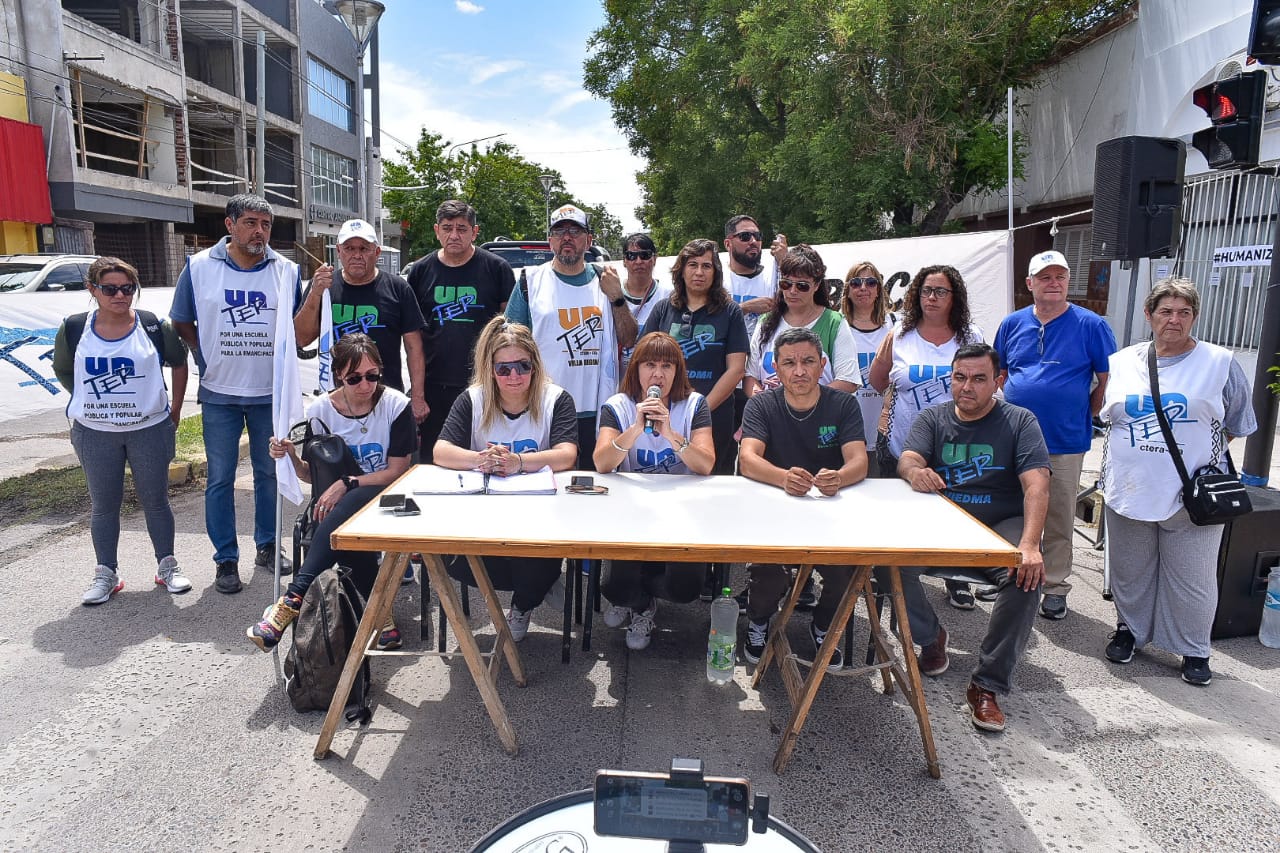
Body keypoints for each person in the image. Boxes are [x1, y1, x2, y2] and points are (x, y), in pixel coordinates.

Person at [1099, 277, 1257, 687]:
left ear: (1195, 317)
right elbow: (1107, 418)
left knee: (1193, 579)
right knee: (1130, 572)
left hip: (1193, 498)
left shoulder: (1220, 363)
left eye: (1184, 312)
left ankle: (1194, 650)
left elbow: (1237, 422)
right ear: (1149, 316)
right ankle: (1129, 631)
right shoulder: (1123, 362)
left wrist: (1197, 457)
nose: (1174, 319)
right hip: (1130, 489)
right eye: (1166, 311)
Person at [897, 343, 1050, 733]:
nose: (967, 387)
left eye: (979, 378)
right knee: (884, 560)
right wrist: (915, 472)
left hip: (999, 524)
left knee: (1025, 574)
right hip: (943, 524)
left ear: (998, 381)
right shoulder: (933, 417)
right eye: (960, 377)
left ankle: (986, 685)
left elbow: (1036, 486)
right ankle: (930, 638)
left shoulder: (1020, 421)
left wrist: (1029, 546)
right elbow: (909, 458)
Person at [250, 334, 415, 651]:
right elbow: (315, 476)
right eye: (355, 378)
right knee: (345, 512)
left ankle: (292, 598)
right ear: (339, 375)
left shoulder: (395, 406)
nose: (365, 385)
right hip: (341, 511)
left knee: (349, 501)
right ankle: (379, 615)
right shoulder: (321, 411)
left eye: (372, 376)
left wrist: (349, 482)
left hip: (395, 502)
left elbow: (397, 473)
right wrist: (290, 457)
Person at [170, 193, 301, 594]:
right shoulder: (198, 267)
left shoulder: (287, 271)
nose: (259, 231)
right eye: (250, 222)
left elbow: (298, 326)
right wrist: (203, 356)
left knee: (267, 473)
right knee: (221, 478)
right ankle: (225, 559)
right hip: (219, 392)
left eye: (265, 224)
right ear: (230, 225)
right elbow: (181, 320)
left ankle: (266, 545)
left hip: (268, 393)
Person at [54, 257, 191, 605]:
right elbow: (64, 371)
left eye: (127, 288)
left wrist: (174, 409)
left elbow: (178, 361)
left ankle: (167, 566)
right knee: (103, 505)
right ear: (92, 290)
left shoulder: (151, 325)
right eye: (110, 289)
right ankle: (106, 573)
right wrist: (89, 399)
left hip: (148, 429)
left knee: (156, 501)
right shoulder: (74, 328)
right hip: (95, 432)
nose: (119, 295)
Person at [433, 317, 579, 641]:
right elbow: (441, 450)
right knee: (454, 559)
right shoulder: (474, 398)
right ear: (491, 369)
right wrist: (479, 459)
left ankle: (524, 603)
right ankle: (537, 586)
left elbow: (567, 454)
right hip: (486, 510)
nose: (514, 376)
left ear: (534, 365)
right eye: (504, 369)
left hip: (538, 512)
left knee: (537, 564)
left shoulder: (555, 399)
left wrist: (519, 462)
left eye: (522, 366)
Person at [994, 250, 1116, 621]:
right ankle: (1007, 575)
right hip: (1015, 438)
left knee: (1059, 516)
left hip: (1063, 441)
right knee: (1012, 511)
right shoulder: (1012, 323)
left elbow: (1107, 380)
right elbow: (998, 371)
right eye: (1044, 277)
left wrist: (1085, 412)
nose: (1054, 283)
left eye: (1060, 276)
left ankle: (1056, 586)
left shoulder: (1091, 324)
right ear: (1029, 284)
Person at [739, 327, 869, 672]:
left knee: (845, 569)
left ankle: (825, 625)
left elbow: (859, 460)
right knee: (767, 571)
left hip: (829, 509)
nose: (800, 371)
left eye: (808, 361)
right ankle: (758, 620)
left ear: (823, 364)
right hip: (775, 507)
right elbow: (748, 459)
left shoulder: (843, 403)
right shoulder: (762, 404)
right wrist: (782, 478)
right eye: (790, 363)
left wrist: (840, 477)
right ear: (777, 369)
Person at [868, 263, 984, 609]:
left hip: (955, 444)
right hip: (903, 444)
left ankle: (956, 579)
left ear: (955, 297)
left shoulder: (971, 337)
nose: (932, 298)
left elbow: (984, 382)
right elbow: (877, 380)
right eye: (926, 291)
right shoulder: (900, 335)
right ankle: (894, 580)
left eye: (941, 292)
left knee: (955, 512)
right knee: (900, 517)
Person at [593, 332, 716, 650]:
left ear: (678, 372)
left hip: (682, 511)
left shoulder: (693, 405)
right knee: (613, 587)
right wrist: (635, 428)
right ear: (636, 369)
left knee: (686, 589)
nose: (658, 374)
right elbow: (603, 463)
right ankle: (640, 605)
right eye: (649, 364)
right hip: (631, 510)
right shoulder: (617, 406)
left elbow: (705, 464)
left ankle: (641, 595)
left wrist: (671, 434)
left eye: (667, 365)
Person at [504, 204, 637, 468]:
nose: (567, 237)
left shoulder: (605, 280)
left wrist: (617, 298)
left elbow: (630, 337)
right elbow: (508, 346)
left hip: (598, 408)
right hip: (546, 408)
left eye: (575, 231)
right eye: (560, 231)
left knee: (598, 488)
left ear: (588, 240)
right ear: (550, 240)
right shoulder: (530, 281)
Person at [409, 200, 514, 463]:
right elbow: (412, 340)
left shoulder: (497, 269)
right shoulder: (420, 271)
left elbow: (509, 331)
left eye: (462, 228)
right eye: (447, 228)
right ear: (436, 230)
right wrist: (418, 394)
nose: (454, 235)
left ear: (474, 232)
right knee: (435, 461)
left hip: (485, 384)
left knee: (485, 457)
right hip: (435, 386)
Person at [294, 218, 427, 412]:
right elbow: (301, 338)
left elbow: (414, 348)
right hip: (338, 399)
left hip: (386, 399)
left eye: (364, 249)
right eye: (349, 248)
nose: (357, 255)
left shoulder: (397, 288)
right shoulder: (324, 287)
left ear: (377, 252)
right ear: (338, 251)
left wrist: (417, 397)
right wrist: (315, 293)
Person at [640, 238, 749, 474]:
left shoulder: (730, 312)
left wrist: (700, 412)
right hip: (665, 414)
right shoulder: (663, 309)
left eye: (706, 266)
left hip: (714, 416)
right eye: (693, 265)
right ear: (681, 270)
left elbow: (737, 369)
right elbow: (642, 362)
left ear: (715, 272)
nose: (699, 272)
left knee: (712, 483)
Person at [744, 244, 859, 397]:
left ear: (817, 285)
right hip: (772, 416)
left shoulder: (833, 323)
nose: (792, 291)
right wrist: (764, 402)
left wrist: (801, 402)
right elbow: (750, 376)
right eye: (786, 284)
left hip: (818, 416)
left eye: (802, 286)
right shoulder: (766, 322)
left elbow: (848, 380)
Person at [840, 261, 897, 458]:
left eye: (871, 282)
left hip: (886, 429)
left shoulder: (896, 325)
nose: (863, 288)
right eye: (856, 283)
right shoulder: (836, 325)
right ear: (847, 290)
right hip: (846, 429)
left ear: (880, 290)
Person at [618, 233, 673, 371]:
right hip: (617, 379)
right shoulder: (611, 294)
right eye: (631, 256)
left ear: (654, 259)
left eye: (645, 255)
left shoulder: (669, 296)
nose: (638, 261)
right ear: (624, 261)